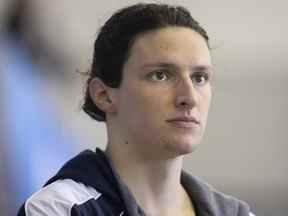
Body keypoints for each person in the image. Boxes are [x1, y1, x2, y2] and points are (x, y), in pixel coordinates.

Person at [18, 3, 255, 216]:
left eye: (200, 78)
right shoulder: (58, 209)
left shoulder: (235, 213)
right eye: (160, 75)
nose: (189, 97)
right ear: (103, 95)